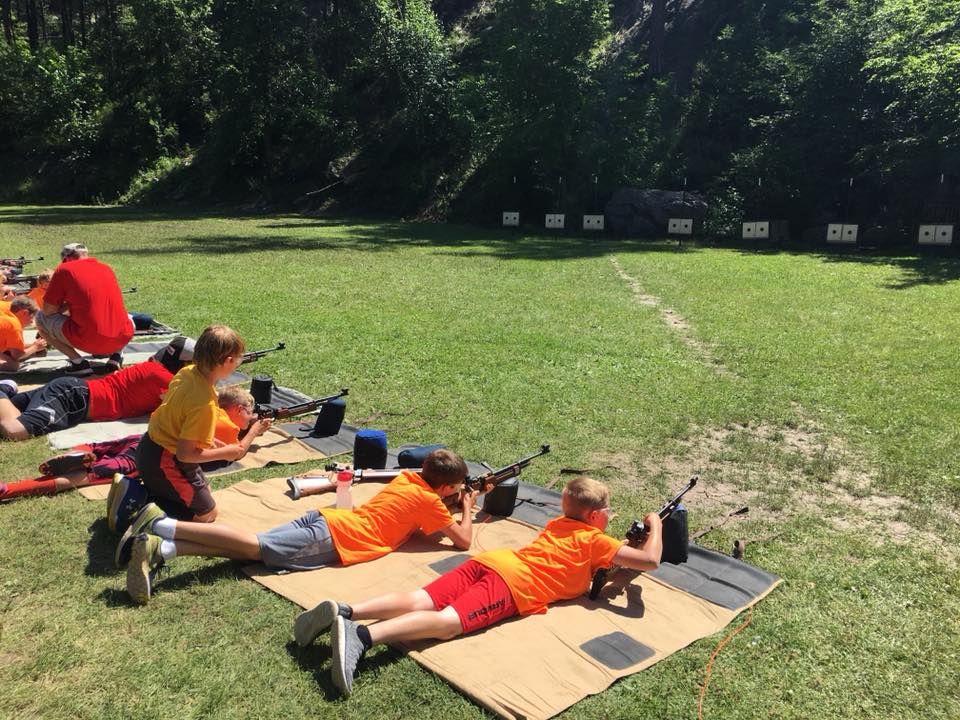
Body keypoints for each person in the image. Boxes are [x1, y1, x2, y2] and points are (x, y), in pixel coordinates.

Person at [294, 476, 663, 698]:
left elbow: (601, 566)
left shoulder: (558, 526)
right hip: (514, 585)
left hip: (491, 563)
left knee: (420, 598)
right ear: (596, 517)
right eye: (608, 512)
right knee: (447, 623)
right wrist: (655, 525)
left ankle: (345, 610)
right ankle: (362, 637)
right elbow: (649, 561)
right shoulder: (596, 541)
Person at [117, 449, 480, 606]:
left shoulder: (407, 481)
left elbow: (416, 517)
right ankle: (163, 524)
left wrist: (451, 498)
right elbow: (462, 541)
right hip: (337, 538)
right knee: (253, 546)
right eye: (456, 489)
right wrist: (467, 508)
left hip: (327, 520)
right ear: (447, 489)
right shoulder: (432, 502)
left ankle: (161, 547)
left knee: (245, 549)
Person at [0, 387, 269, 502]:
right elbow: (238, 451)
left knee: (99, 446)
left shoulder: (205, 408)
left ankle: (78, 452)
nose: (250, 418)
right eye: (248, 412)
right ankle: (11, 489)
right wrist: (254, 431)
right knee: (87, 477)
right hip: (152, 457)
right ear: (237, 408)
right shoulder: (229, 427)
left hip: (144, 438)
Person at [133, 325, 247, 526]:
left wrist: (214, 443)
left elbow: (180, 421)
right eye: (238, 359)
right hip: (164, 461)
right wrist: (226, 453)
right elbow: (185, 455)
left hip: (148, 447)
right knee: (207, 514)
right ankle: (139, 501)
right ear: (228, 361)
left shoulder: (187, 372)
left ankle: (146, 491)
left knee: (206, 493)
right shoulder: (205, 403)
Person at [0, 335, 195, 441]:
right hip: (75, 399)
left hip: (74, 392)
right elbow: (191, 409)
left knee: (7, 415)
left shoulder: (154, 368)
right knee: (14, 430)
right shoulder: (167, 380)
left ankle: (6, 391)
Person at [34, 242, 134, 376]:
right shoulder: (106, 268)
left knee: (40, 318)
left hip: (88, 340)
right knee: (128, 318)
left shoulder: (64, 270)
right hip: (121, 337)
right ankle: (116, 356)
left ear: (67, 258)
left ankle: (78, 363)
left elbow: (48, 311)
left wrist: (66, 305)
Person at [0, 296, 48, 371]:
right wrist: (35, 347)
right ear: (24, 313)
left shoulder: (6, 306)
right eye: (31, 318)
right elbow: (17, 355)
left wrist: (33, 345)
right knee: (12, 366)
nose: (31, 322)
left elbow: (12, 345)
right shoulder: (14, 325)